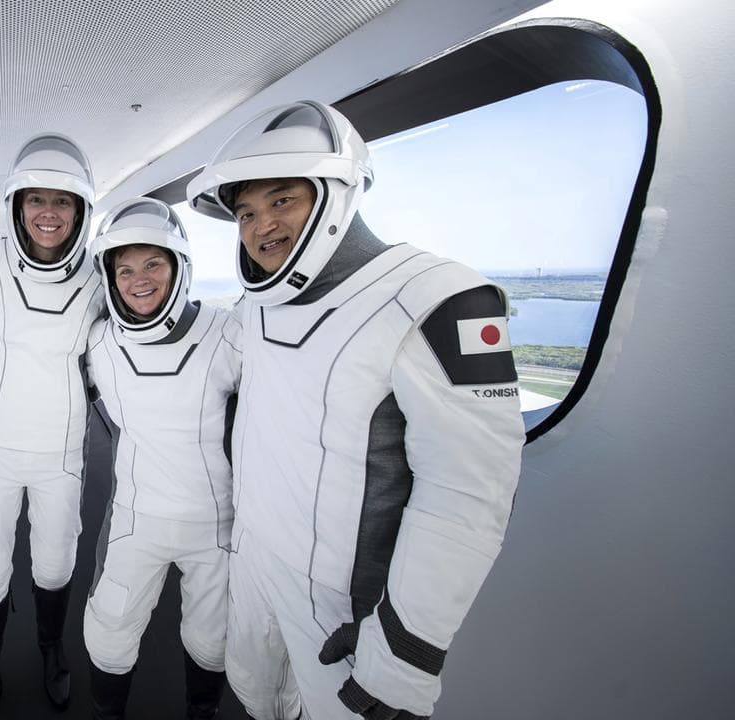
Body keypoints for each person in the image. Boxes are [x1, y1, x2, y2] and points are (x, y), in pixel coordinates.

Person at [185, 100, 525, 720]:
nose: (263, 227)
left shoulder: (439, 297)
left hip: (344, 605)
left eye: (282, 200)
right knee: (257, 699)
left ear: (336, 194)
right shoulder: (255, 307)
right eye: (247, 213)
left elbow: (469, 496)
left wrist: (403, 656)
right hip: (256, 560)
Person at [0, 133, 105, 715]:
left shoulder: (99, 274)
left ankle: (50, 650)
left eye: (62, 201)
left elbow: (144, 315)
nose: (48, 213)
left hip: (62, 452)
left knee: (55, 562)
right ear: (16, 206)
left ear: (80, 211)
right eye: (36, 199)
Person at [81, 198, 241, 720]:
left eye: (153, 263)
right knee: (108, 632)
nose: (138, 279)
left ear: (180, 266)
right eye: (124, 269)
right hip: (135, 517)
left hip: (216, 523)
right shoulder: (99, 343)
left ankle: (202, 712)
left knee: (211, 640)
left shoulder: (228, 336)